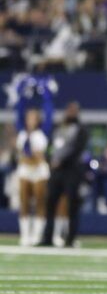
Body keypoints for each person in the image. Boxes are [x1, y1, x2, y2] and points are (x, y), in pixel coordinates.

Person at [40, 101, 88, 248]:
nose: (71, 113)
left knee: (72, 204)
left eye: (74, 110)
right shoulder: (58, 128)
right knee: (50, 203)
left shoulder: (81, 130)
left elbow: (78, 149)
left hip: (72, 171)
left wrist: (61, 161)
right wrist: (49, 160)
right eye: (69, 110)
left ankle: (70, 238)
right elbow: (49, 147)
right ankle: (48, 237)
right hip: (56, 172)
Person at [14, 80, 53, 246]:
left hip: (39, 171)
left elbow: (49, 112)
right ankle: (25, 235)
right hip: (25, 169)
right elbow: (18, 111)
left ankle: (37, 235)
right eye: (28, 117)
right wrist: (23, 92)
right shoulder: (22, 133)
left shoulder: (42, 133)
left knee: (39, 202)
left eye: (34, 117)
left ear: (38, 119)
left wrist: (45, 93)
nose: (30, 119)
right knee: (23, 202)